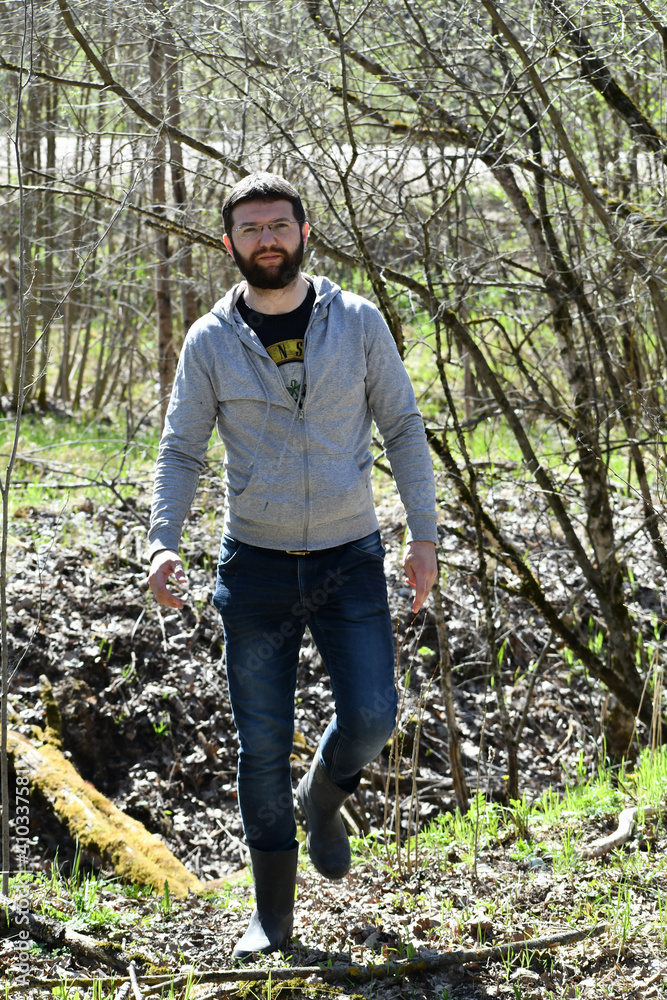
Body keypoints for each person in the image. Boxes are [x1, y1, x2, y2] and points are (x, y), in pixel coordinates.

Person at [148, 172, 438, 959]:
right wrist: (162, 538)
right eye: (250, 228)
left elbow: (404, 428)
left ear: (305, 233)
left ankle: (324, 794)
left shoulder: (358, 322)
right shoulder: (209, 340)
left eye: (279, 225)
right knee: (261, 746)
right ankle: (271, 919)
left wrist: (424, 536)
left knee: (375, 714)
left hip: (350, 557)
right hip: (257, 569)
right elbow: (180, 449)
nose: (266, 239)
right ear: (229, 243)